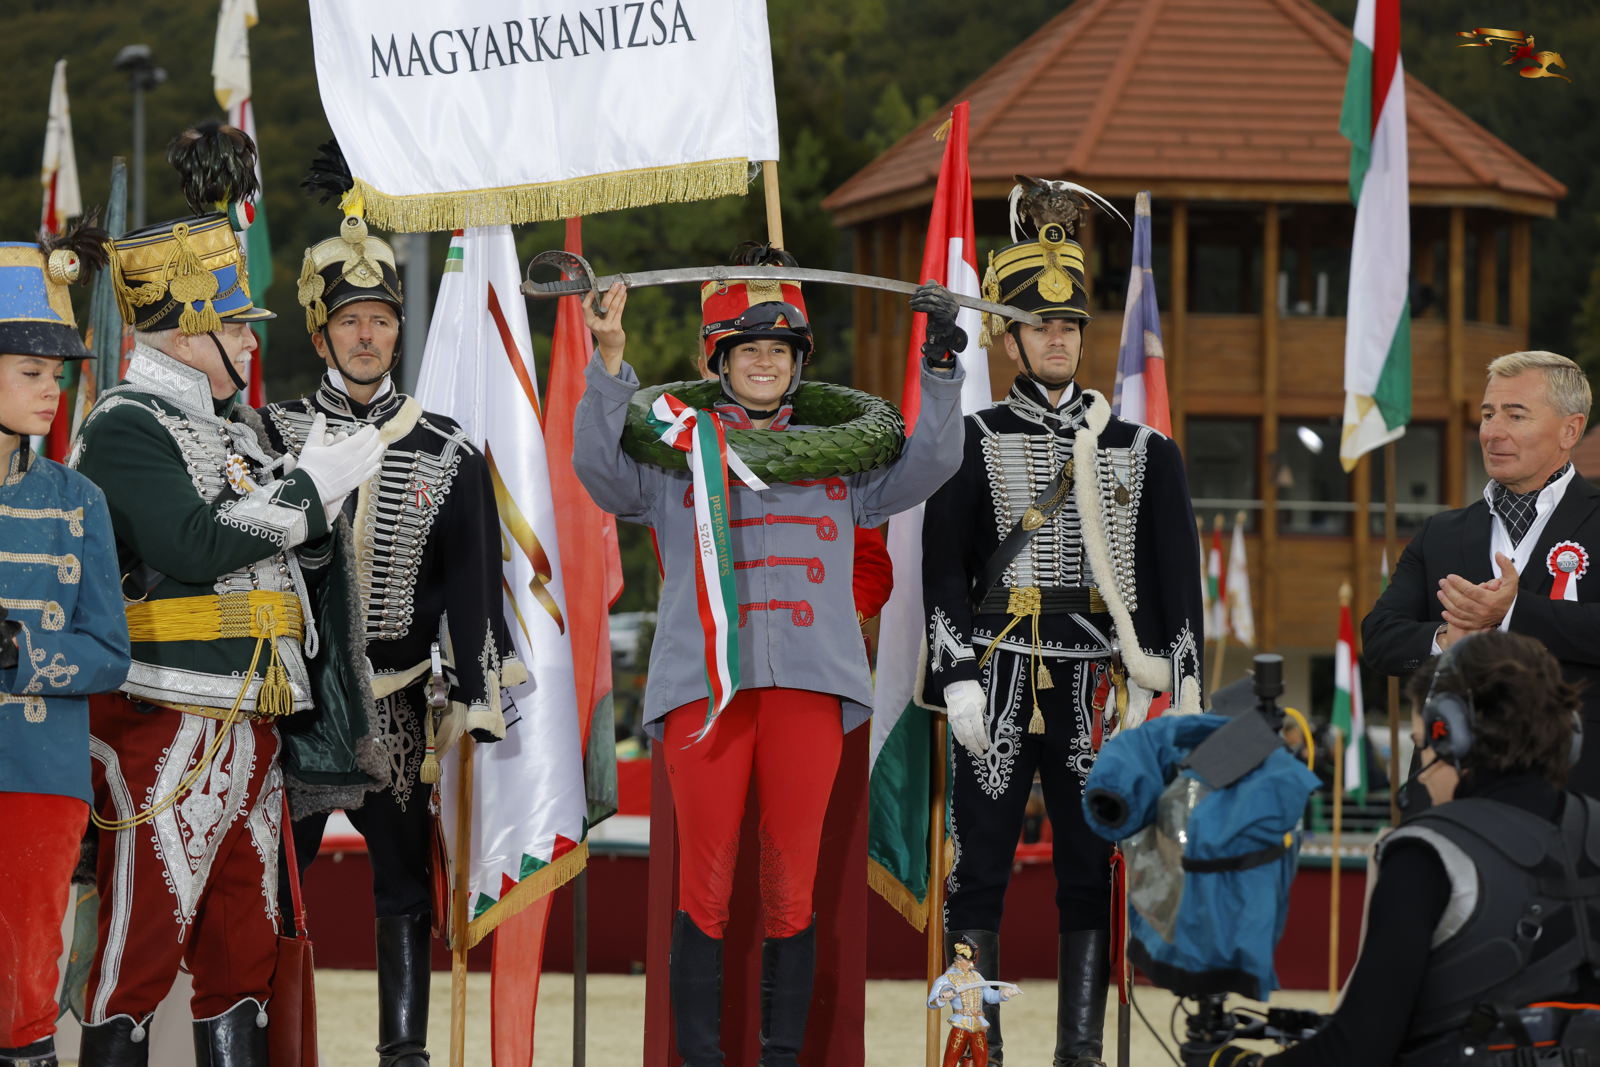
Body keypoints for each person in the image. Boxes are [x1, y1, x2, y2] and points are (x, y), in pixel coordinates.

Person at [573, 273, 967, 1065]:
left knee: (794, 885)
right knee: (706, 887)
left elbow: (932, 461)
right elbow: (598, 472)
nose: (764, 362)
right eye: (748, 348)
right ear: (718, 359)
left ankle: (782, 1058)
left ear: (799, 362)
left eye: (779, 350)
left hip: (811, 692)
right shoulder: (672, 450)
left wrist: (941, 366)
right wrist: (609, 361)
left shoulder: (845, 462)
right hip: (705, 694)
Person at [70, 124, 385, 1065]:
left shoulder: (232, 429)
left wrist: (312, 495)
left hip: (251, 720)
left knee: (244, 946)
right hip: (170, 713)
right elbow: (194, 543)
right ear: (184, 329)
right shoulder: (126, 425)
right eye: (239, 324)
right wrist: (307, 489)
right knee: (138, 946)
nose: (250, 341)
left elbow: (294, 550)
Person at [921, 183, 1204, 1066]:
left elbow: (1178, 590)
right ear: (1009, 337)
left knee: (1091, 871)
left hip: (1101, 686)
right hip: (997, 676)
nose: (1056, 339)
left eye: (1070, 327)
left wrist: (1174, 706)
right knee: (978, 875)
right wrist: (953, 670)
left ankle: (1079, 1048)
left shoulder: (1145, 451)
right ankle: (977, 1040)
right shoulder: (967, 438)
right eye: (1040, 326)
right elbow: (941, 566)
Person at [262, 191, 524, 1067]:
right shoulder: (272, 437)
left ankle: (402, 1052)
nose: (367, 336)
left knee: (405, 887)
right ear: (321, 333)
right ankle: (268, 1038)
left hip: (401, 707)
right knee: (275, 885)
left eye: (380, 320)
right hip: (297, 706)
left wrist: (479, 691)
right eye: (350, 322)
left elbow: (471, 582)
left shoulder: (447, 448)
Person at [1215, 630, 1600, 1065]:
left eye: (1423, 747)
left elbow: (1356, 1050)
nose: (1421, 776)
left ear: (1453, 738)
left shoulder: (1426, 855)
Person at [0, 231, 132, 1067]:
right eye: (31, 372)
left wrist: (24, 649)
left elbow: (111, 653)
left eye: (58, 374)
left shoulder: (80, 499)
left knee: (25, 986)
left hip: (40, 771)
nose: (53, 390)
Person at [1364, 350, 1600, 798]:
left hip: (1574, 792)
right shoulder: (1440, 533)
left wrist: (1512, 613)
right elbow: (1379, 637)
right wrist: (1447, 640)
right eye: (1488, 414)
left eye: (1516, 415)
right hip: (1447, 787)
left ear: (1571, 430)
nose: (1493, 432)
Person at [928, 934, 1021, 1067]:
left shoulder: (976, 976)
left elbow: (989, 996)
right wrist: (942, 998)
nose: (971, 964)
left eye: (972, 961)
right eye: (968, 961)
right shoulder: (946, 979)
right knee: (950, 1060)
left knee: (982, 1060)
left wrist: (1004, 994)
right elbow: (931, 1003)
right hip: (960, 1024)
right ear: (959, 959)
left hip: (978, 1025)